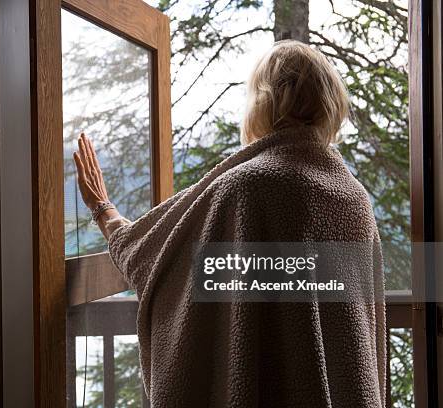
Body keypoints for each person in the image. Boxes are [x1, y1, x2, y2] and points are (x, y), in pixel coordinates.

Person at [73, 40, 385, 408]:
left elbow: (159, 257)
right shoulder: (354, 197)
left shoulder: (249, 187)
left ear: (263, 100)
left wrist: (104, 211)